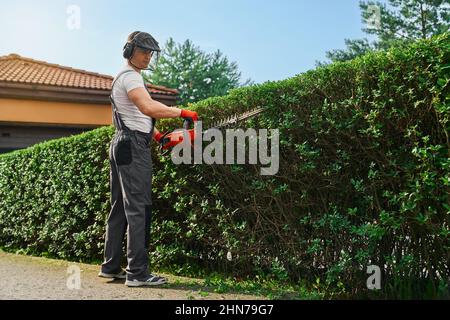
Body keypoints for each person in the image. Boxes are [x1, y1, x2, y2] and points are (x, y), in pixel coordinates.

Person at [98, 31, 198, 287]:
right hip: (131, 147)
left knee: (120, 207)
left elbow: (136, 116)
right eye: (144, 51)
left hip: (124, 143)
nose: (148, 57)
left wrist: (158, 137)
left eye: (151, 53)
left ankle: (110, 267)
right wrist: (182, 112)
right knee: (139, 207)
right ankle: (138, 273)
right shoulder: (130, 77)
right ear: (129, 50)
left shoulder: (128, 78)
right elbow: (148, 108)